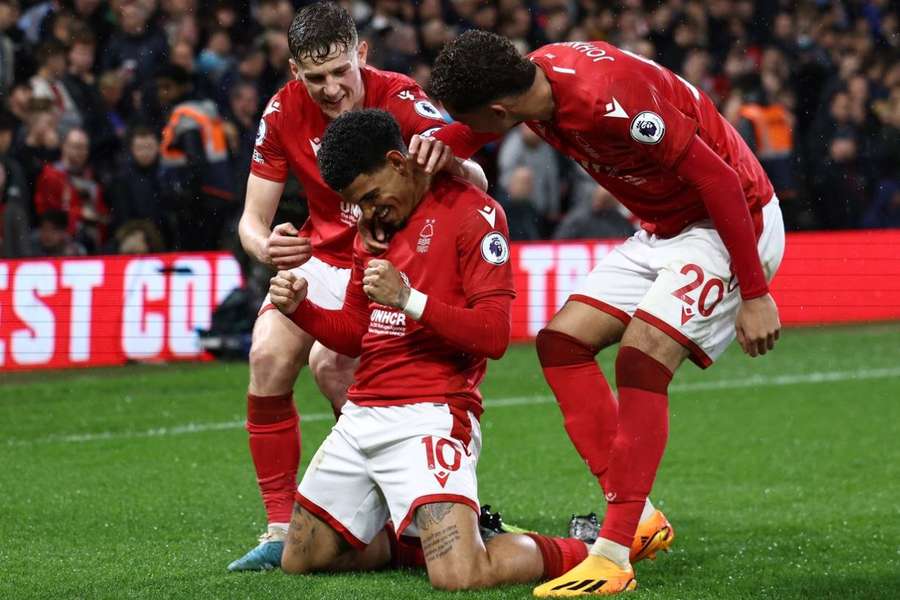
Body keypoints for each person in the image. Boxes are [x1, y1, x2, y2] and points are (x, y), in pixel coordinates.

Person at [431, 32, 785, 596]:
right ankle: (640, 516)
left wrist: (756, 291)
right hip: (665, 228)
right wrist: (444, 140)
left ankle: (614, 554)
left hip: (731, 222)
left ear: (501, 111)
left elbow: (718, 179)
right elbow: (477, 126)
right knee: (561, 343)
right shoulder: (535, 82)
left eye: (478, 122)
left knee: (644, 357)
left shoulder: (607, 102)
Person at [269, 108, 590, 591]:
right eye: (359, 204)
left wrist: (409, 299)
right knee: (302, 558)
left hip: (433, 412)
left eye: (373, 196)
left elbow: (494, 335)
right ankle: (420, 541)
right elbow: (358, 332)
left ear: (399, 162)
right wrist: (302, 310)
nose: (371, 212)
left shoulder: (475, 214)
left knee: (461, 576)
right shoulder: (375, 228)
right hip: (363, 414)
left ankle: (590, 547)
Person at [229, 2, 487, 572]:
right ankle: (278, 528)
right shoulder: (281, 112)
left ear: (360, 56)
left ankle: (417, 505)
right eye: (313, 77)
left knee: (333, 366)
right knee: (268, 354)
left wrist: (451, 162)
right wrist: (265, 246)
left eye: (339, 72)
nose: (329, 88)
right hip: (324, 255)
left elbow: (478, 180)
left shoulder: (398, 97)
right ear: (295, 70)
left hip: (387, 253)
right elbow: (251, 220)